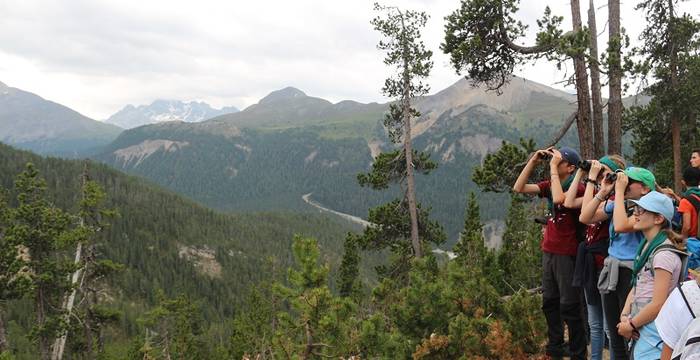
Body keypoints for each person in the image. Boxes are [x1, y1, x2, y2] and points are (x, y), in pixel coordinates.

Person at [513, 146, 587, 359]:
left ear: (571, 168)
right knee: (550, 303)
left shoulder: (578, 189)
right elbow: (519, 188)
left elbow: (559, 199)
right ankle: (555, 348)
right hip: (550, 250)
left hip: (567, 252)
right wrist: (534, 161)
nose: (554, 162)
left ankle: (577, 352)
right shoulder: (551, 184)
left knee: (570, 306)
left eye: (560, 160)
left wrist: (553, 168)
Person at [580, 166, 656, 359]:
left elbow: (621, 226)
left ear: (645, 188)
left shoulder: (648, 209)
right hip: (612, 267)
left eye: (629, 181)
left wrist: (619, 192)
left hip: (631, 272)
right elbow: (585, 217)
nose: (624, 184)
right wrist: (603, 192)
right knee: (614, 333)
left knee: (630, 333)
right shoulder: (620, 203)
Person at [565, 155, 626, 360]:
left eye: (603, 173)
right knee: (595, 324)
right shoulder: (602, 195)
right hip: (590, 265)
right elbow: (570, 201)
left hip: (603, 265)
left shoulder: (614, 199)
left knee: (609, 326)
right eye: (599, 173)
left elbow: (585, 215)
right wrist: (583, 173)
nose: (600, 177)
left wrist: (593, 182)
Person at [617, 190, 686, 359]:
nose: (635, 214)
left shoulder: (664, 254)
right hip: (641, 327)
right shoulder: (647, 246)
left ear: (658, 218)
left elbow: (658, 303)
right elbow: (637, 284)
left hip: (654, 337)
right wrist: (625, 315)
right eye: (635, 209)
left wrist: (631, 324)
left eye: (642, 210)